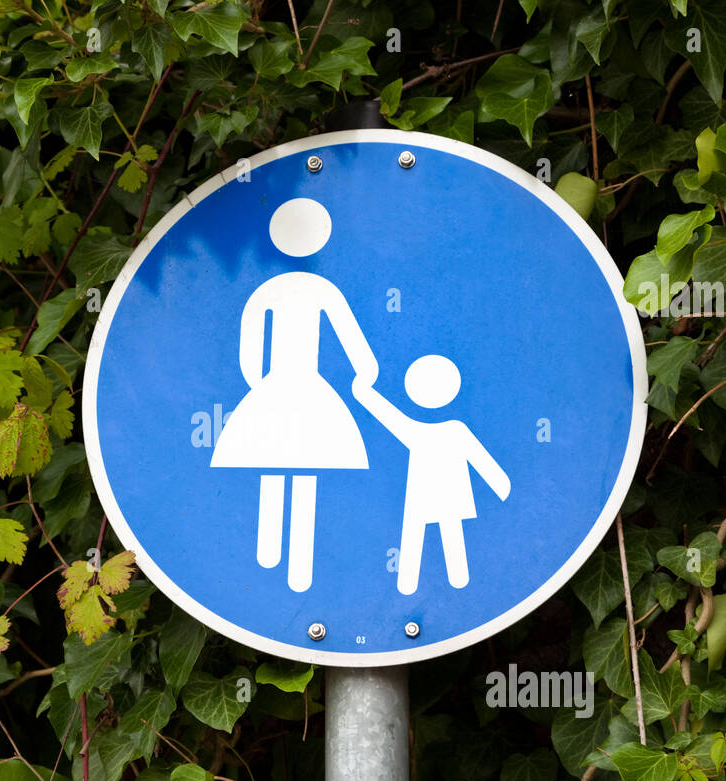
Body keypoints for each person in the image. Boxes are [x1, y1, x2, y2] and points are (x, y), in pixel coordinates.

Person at [211, 198, 378, 593]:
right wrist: (364, 372)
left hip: (277, 385)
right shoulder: (321, 287)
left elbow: (249, 347)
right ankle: (291, 566)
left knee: (280, 460)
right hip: (305, 386)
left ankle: (277, 557)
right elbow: (353, 340)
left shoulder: (270, 289)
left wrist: (259, 387)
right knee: (305, 466)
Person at [352, 355, 510, 595]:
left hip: (433, 494)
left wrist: (364, 391)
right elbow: (482, 460)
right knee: (438, 534)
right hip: (435, 495)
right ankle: (430, 585)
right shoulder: (447, 430)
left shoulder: (427, 431)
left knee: (430, 536)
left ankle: (423, 586)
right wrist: (501, 485)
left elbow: (480, 458)